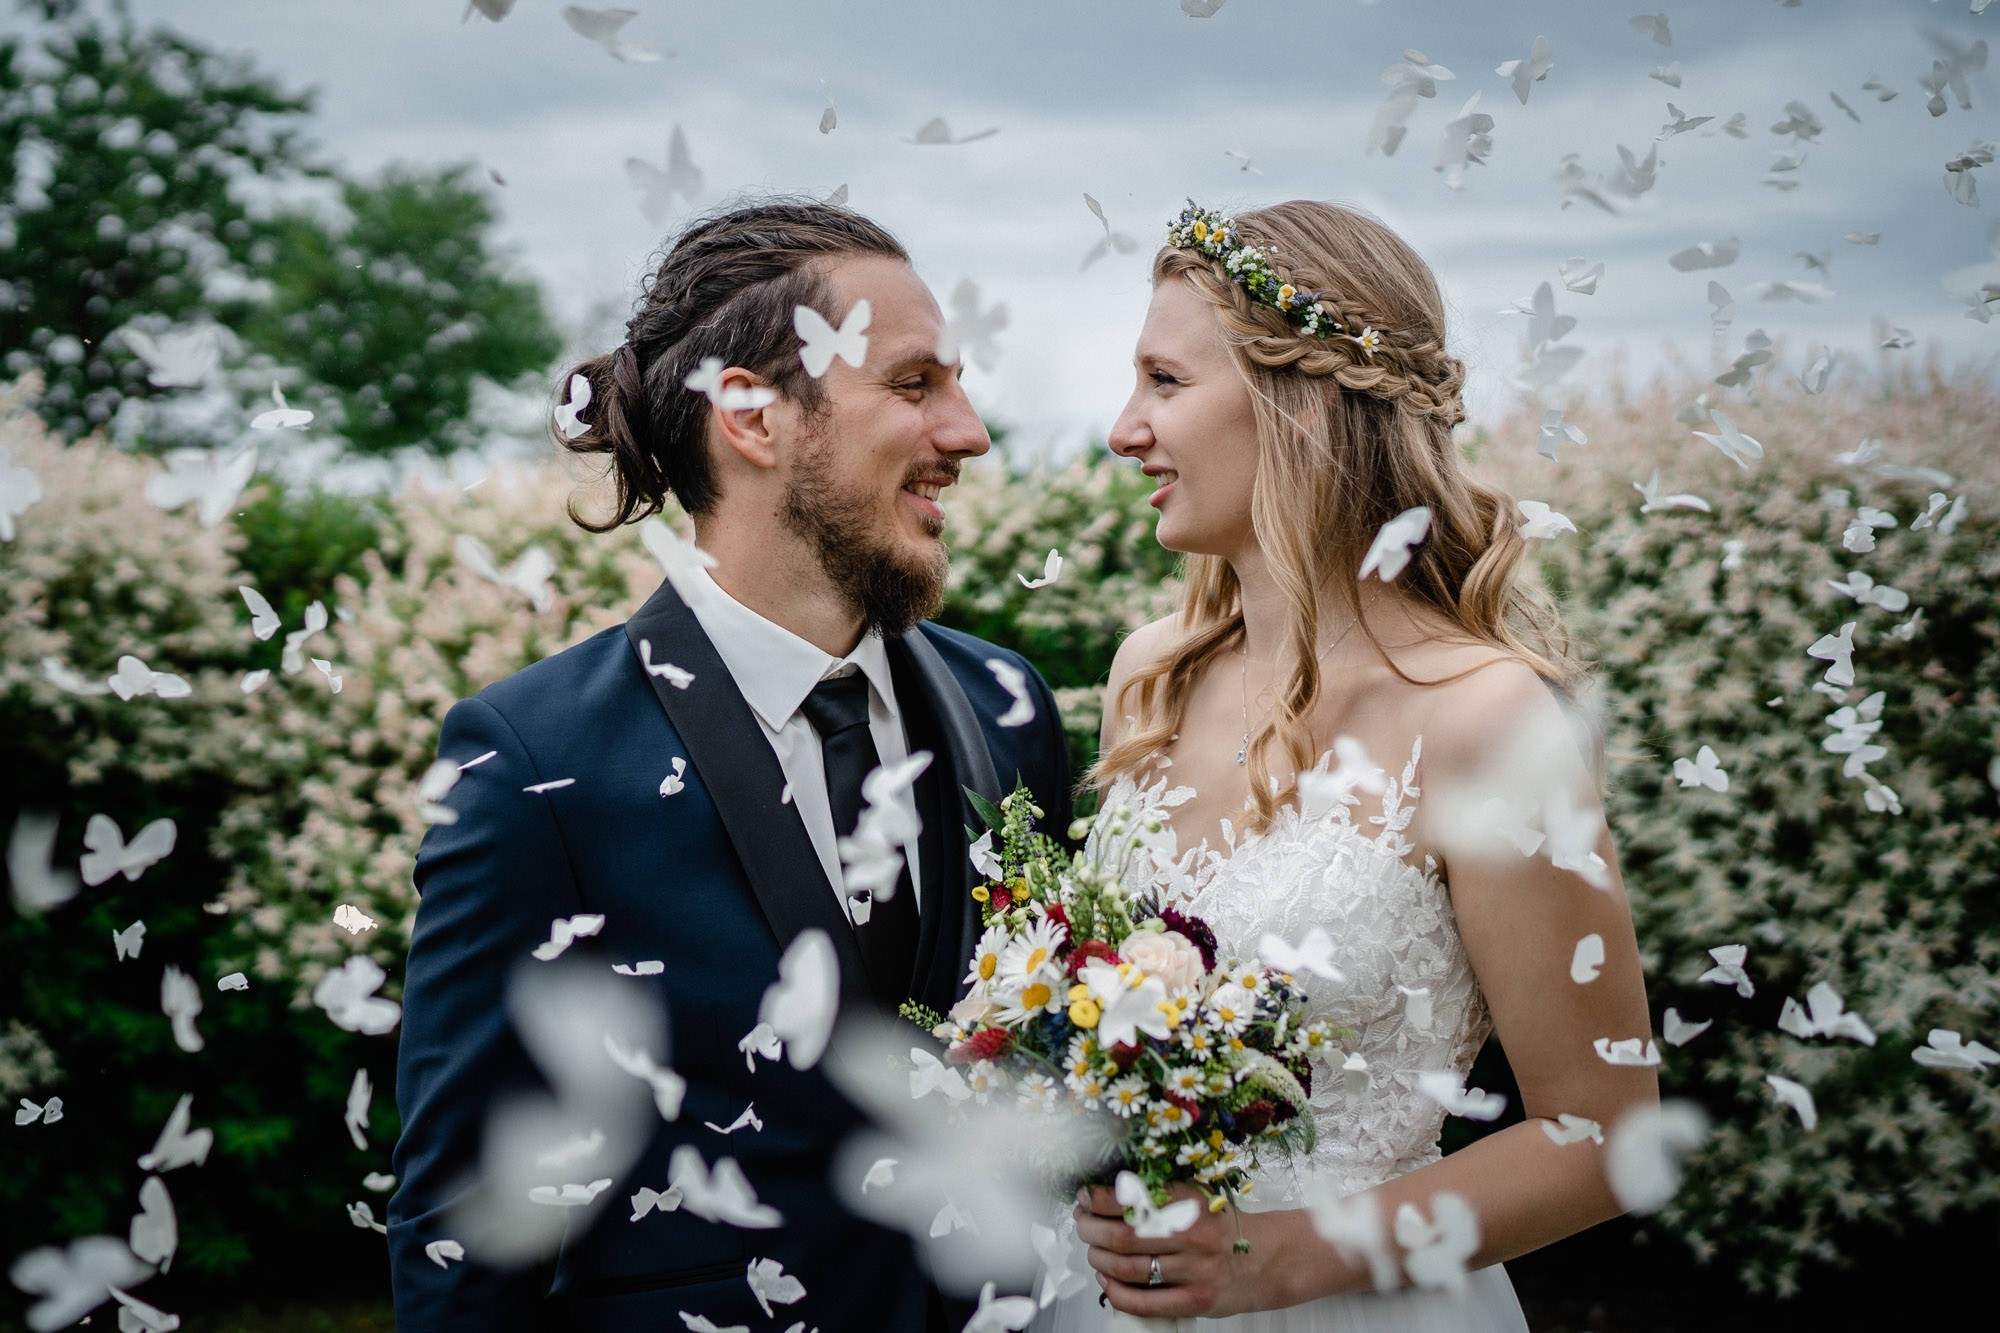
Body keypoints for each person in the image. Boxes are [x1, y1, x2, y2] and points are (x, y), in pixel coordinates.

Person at [387, 199, 1074, 1332]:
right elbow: (467, 1218)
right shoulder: (534, 762)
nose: (969, 433)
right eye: (913, 385)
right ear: (751, 418)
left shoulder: (1006, 709)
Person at [1036, 200, 1658, 1331]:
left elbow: (1602, 1130)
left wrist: (1290, 1262)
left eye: (1164, 381)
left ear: (1305, 397)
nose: (1124, 430)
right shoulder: (1149, 679)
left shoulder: (1484, 718)